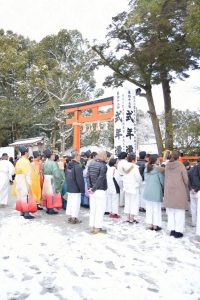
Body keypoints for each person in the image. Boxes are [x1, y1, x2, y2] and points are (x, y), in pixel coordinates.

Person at [164, 150, 189, 238]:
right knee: (179, 212)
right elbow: (186, 179)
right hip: (179, 190)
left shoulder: (167, 166)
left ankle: (172, 230)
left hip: (169, 190)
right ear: (178, 157)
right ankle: (178, 231)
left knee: (171, 212)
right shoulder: (180, 165)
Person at [86, 151, 108, 234]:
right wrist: (93, 189)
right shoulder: (103, 166)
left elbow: (87, 176)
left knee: (93, 210)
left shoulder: (91, 163)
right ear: (102, 156)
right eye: (106, 156)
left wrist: (90, 188)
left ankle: (92, 226)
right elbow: (100, 178)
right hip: (99, 190)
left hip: (92, 190)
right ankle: (97, 227)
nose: (107, 157)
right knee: (100, 209)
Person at [143, 154, 164, 231]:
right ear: (155, 160)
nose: (159, 160)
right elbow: (162, 181)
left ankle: (149, 225)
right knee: (156, 210)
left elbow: (145, 179)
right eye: (158, 159)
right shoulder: (158, 170)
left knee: (149, 209)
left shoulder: (146, 169)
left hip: (147, 191)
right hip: (156, 192)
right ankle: (155, 225)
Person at [15, 146, 37, 219]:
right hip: (24, 179)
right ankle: (26, 212)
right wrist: (29, 182)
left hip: (18, 179)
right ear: (26, 153)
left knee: (20, 196)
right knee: (25, 196)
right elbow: (28, 172)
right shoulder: (26, 161)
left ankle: (22, 211)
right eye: (28, 152)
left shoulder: (18, 161)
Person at [42, 149, 64, 214]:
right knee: (51, 193)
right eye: (53, 154)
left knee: (47, 193)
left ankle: (48, 208)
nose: (54, 156)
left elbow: (42, 171)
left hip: (46, 179)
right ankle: (51, 208)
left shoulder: (45, 163)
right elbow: (57, 174)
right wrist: (60, 178)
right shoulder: (53, 163)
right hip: (51, 179)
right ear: (51, 155)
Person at [65, 150, 85, 224]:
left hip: (69, 186)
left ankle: (70, 217)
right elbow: (79, 180)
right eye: (79, 155)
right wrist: (82, 189)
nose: (80, 157)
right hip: (76, 188)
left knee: (70, 202)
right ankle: (74, 218)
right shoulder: (77, 166)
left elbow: (66, 175)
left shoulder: (68, 165)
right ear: (76, 156)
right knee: (75, 203)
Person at [123, 153, 142, 223]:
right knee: (134, 203)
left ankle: (128, 217)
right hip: (134, 187)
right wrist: (140, 183)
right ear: (133, 160)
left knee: (127, 202)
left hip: (126, 187)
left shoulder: (124, 167)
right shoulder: (135, 167)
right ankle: (132, 218)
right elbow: (138, 178)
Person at [191, 159, 200, 241]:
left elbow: (189, 176)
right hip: (197, 189)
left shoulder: (193, 168)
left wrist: (192, 188)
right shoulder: (197, 168)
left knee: (194, 208)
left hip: (193, 190)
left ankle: (194, 223)